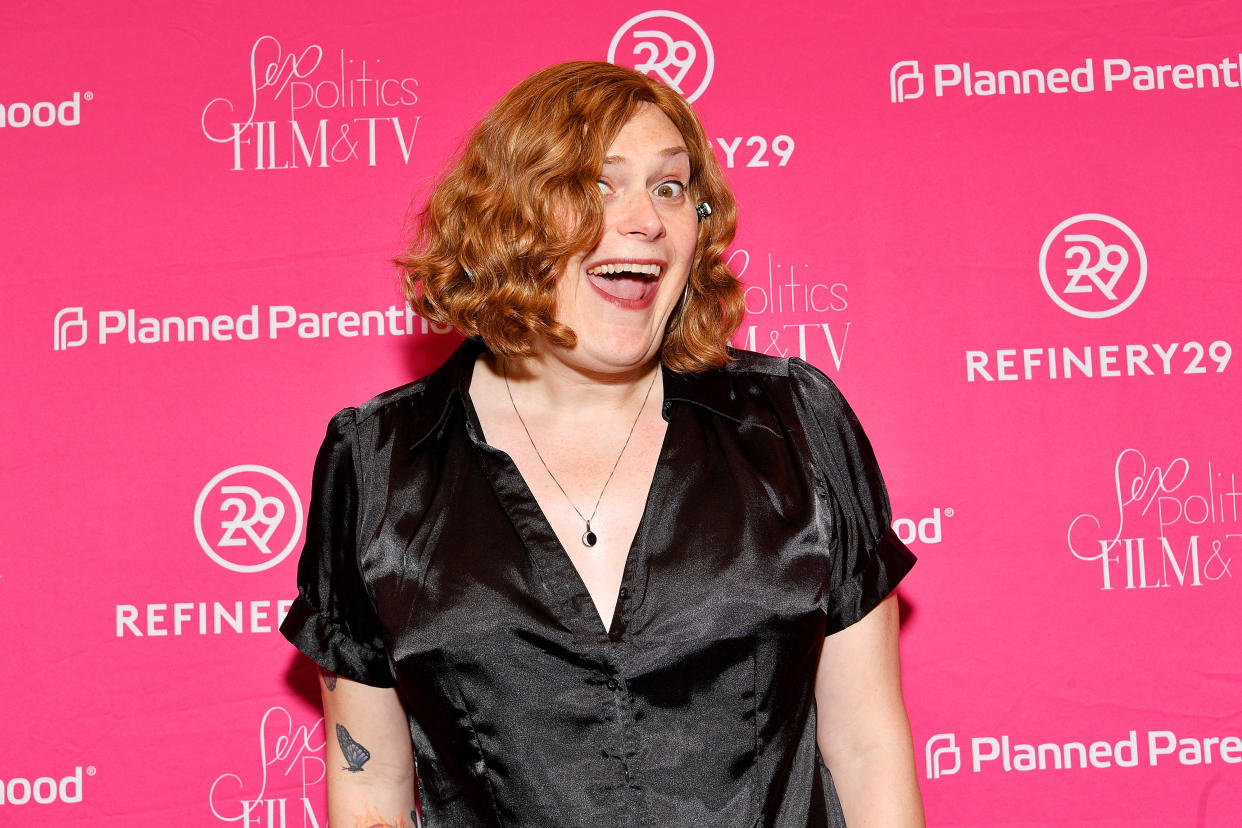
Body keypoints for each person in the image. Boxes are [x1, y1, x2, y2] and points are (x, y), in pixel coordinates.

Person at [281, 60, 923, 827]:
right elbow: (370, 787)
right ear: (507, 216)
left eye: (670, 187)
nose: (646, 220)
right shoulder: (378, 461)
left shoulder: (792, 423)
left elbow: (866, 746)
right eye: (596, 185)